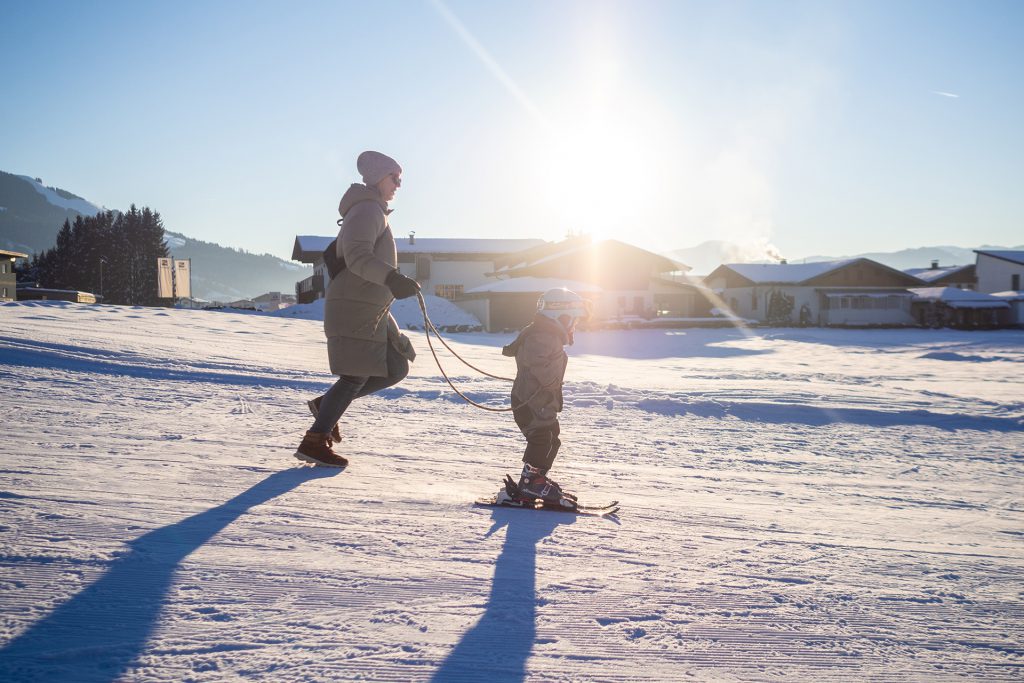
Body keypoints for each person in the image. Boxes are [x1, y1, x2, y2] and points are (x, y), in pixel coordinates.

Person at [295, 151, 420, 467]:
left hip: (369, 307)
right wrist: (392, 277)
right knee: (355, 375)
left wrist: (391, 290)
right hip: (353, 306)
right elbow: (357, 257)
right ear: (379, 177)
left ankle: (327, 406)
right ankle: (314, 441)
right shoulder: (366, 210)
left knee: (396, 367)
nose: (399, 185)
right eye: (395, 178)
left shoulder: (374, 210)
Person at [499, 288, 589, 506]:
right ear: (561, 316)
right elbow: (538, 364)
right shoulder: (543, 336)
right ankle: (530, 483)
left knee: (551, 438)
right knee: (542, 438)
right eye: (573, 320)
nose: (574, 326)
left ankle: (536, 479)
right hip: (530, 401)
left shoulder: (547, 334)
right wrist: (552, 382)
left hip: (539, 401)